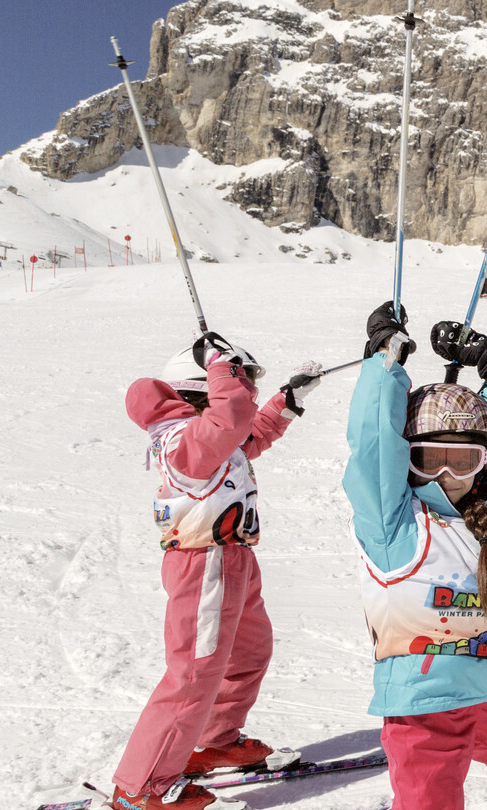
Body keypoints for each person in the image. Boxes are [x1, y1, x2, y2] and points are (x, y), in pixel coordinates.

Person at [342, 303, 487, 809]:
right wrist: (385, 363)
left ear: (483, 460)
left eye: (463, 459)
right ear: (410, 459)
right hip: (424, 707)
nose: (447, 475)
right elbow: (373, 446)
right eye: (430, 459)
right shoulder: (396, 524)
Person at [110, 334, 320, 810]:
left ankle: (213, 741)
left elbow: (248, 435)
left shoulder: (206, 434)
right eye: (236, 384)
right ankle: (142, 787)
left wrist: (287, 400)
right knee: (194, 674)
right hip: (204, 562)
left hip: (233, 558)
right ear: (198, 394)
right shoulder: (181, 440)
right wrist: (223, 367)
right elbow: (231, 420)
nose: (242, 390)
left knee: (249, 651)